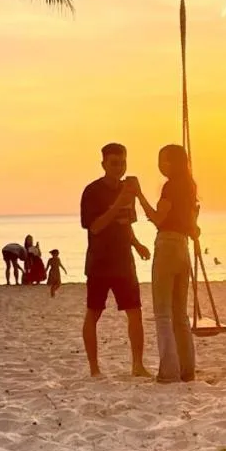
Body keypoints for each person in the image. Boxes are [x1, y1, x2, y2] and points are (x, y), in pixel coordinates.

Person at [80, 142, 152, 379]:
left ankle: (137, 365)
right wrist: (118, 202)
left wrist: (137, 243)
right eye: (114, 163)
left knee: (135, 312)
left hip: (124, 261)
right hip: (99, 261)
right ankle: (94, 368)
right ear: (103, 164)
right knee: (94, 312)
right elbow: (96, 226)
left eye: (122, 163)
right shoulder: (92, 191)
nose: (119, 168)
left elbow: (126, 223)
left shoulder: (127, 190)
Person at [135, 145, 197, 384]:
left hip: (168, 244)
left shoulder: (171, 187)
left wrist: (139, 195)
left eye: (163, 160)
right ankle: (187, 369)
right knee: (180, 314)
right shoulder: (190, 188)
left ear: (173, 163)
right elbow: (193, 226)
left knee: (162, 313)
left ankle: (169, 370)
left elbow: (158, 218)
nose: (160, 165)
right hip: (183, 246)